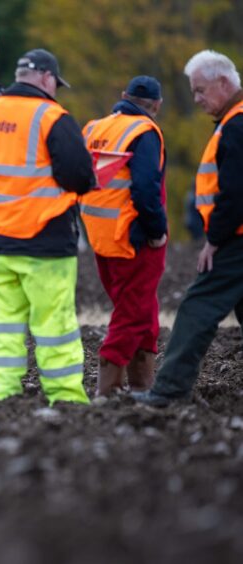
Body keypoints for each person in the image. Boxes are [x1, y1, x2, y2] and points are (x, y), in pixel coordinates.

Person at [0, 49, 96, 405]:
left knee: (2, 325)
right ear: (45, 78)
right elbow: (79, 176)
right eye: (56, 83)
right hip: (45, 242)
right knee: (54, 325)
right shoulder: (53, 116)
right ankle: (66, 396)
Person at [133, 50, 243, 407]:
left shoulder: (237, 124)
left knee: (197, 307)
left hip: (235, 241)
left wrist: (214, 240)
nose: (196, 99)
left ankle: (169, 390)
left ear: (224, 83)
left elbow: (236, 193)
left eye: (200, 90)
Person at [80, 76, 168, 396]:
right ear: (156, 105)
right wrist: (157, 231)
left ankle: (143, 387)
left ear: (123, 97)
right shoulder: (144, 132)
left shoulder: (94, 128)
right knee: (132, 313)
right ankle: (109, 391)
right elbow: (147, 190)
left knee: (143, 310)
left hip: (102, 236)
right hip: (135, 239)